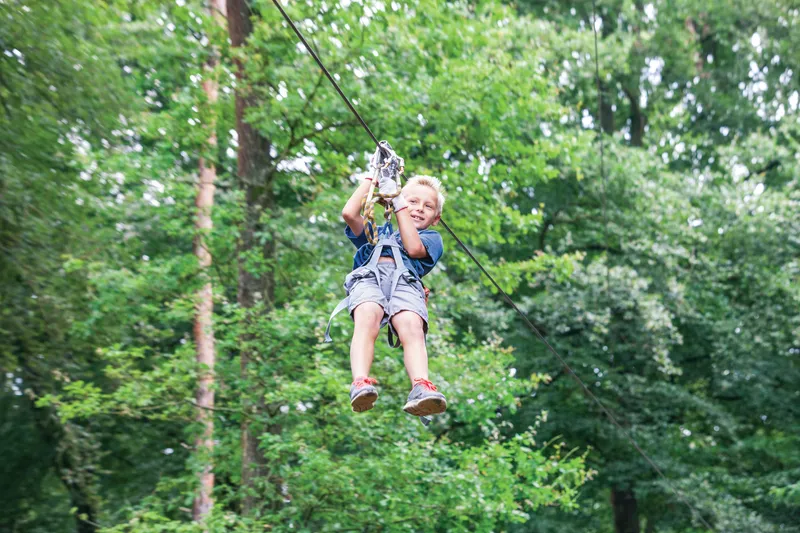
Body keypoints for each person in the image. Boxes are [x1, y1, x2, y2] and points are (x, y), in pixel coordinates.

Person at [333, 145, 447, 418]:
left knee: (411, 325)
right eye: (413, 201)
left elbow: (413, 247)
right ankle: (360, 381)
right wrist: (373, 176)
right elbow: (350, 214)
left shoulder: (431, 239)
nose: (418, 209)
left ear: (436, 217)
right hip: (370, 277)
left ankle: (420, 386)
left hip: (404, 282)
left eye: (427, 206)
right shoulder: (378, 233)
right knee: (367, 315)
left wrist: (399, 202)